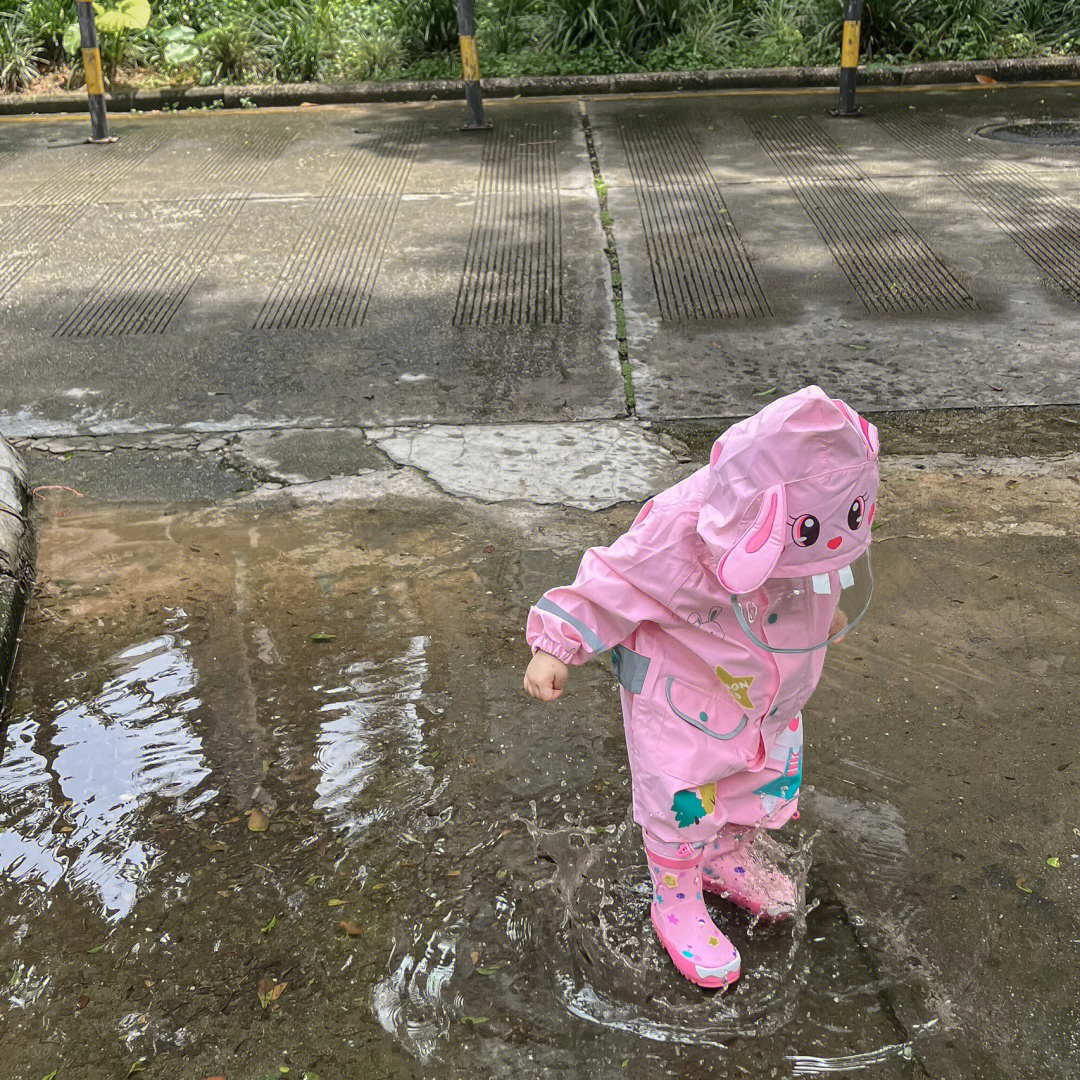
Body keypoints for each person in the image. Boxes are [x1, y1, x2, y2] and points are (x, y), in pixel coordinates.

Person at [523, 386, 879, 989]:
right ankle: (676, 894)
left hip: (768, 702)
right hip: (686, 709)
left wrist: (827, 611)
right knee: (685, 804)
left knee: (756, 782)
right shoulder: (679, 534)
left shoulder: (819, 515)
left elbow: (821, 561)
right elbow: (611, 581)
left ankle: (726, 854)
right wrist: (556, 644)